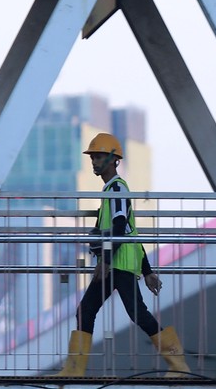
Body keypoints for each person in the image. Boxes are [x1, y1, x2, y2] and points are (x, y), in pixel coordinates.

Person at [55, 133, 191, 378]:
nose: (94, 161)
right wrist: (147, 271)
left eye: (99, 157)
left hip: (118, 265)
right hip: (116, 265)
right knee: (86, 310)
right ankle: (74, 369)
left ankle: (179, 365)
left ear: (113, 160)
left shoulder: (117, 188)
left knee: (136, 313)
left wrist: (106, 261)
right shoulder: (110, 190)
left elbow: (120, 227)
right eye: (93, 157)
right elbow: (131, 232)